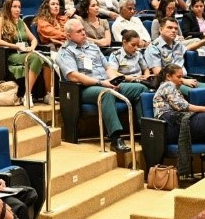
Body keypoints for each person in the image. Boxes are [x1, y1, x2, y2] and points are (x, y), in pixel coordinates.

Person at [58, 18, 148, 153]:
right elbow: (73, 76)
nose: (83, 33)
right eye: (79, 31)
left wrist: (114, 80)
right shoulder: (66, 52)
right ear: (69, 36)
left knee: (141, 89)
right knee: (106, 93)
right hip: (85, 88)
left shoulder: (93, 47)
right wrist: (101, 83)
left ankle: (145, 132)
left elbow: (108, 69)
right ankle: (115, 138)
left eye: (83, 29)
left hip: (106, 83)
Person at [0, 0, 51, 107]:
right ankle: (27, 95)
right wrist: (15, 46)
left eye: (19, 7)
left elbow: (33, 39)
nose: (18, 9)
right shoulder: (1, 20)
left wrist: (32, 47)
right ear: (8, 8)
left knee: (48, 60)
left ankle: (47, 95)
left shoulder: (21, 22)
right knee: (34, 58)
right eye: (14, 7)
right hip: (11, 54)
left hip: (25, 52)